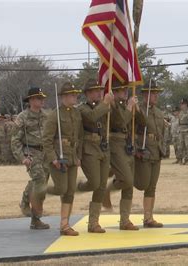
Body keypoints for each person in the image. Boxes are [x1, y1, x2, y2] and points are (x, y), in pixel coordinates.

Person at [102, 79, 145, 230]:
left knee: (129, 184)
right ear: (114, 92)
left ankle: (125, 220)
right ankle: (108, 189)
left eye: (125, 90)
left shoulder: (125, 105)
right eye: (121, 90)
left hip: (128, 143)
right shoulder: (112, 106)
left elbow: (143, 122)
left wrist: (136, 108)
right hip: (116, 143)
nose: (125, 92)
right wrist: (129, 107)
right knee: (126, 179)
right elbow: (120, 123)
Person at [43, 82, 83, 236]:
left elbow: (80, 137)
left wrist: (78, 156)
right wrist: (53, 158)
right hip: (59, 157)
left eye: (75, 94)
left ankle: (64, 224)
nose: (75, 97)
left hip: (72, 157)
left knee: (70, 191)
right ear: (64, 97)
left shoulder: (76, 113)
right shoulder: (55, 115)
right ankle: (40, 190)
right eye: (72, 94)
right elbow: (46, 139)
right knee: (61, 189)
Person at [77, 79, 114, 233]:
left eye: (99, 90)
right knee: (94, 182)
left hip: (103, 147)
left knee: (101, 185)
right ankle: (80, 186)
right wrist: (105, 104)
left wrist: (111, 104)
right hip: (89, 148)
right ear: (87, 94)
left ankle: (94, 222)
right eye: (94, 91)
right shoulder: (82, 108)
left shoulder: (104, 106)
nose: (98, 93)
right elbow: (92, 117)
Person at [11, 87, 50, 230]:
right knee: (39, 180)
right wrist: (22, 158)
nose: (42, 100)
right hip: (31, 153)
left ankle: (35, 219)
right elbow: (15, 140)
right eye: (39, 98)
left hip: (45, 153)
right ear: (31, 100)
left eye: (42, 98)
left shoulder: (46, 116)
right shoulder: (23, 117)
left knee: (41, 187)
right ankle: (25, 201)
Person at [133, 81, 164, 228]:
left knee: (151, 186)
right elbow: (132, 131)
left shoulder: (158, 112)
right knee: (142, 183)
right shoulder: (138, 111)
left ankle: (148, 217)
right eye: (153, 93)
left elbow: (161, 131)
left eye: (157, 93)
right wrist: (136, 148)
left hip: (156, 150)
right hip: (143, 150)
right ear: (145, 94)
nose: (156, 96)